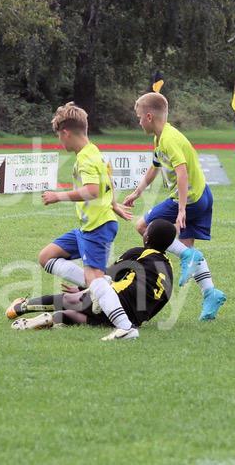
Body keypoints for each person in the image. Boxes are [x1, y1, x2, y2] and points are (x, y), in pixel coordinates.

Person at [123, 92, 226, 320]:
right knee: (186, 246)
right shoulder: (160, 138)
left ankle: (188, 255)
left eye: (139, 118)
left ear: (149, 117)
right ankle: (210, 293)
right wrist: (138, 192)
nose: (139, 122)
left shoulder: (169, 139)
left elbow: (182, 173)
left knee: (142, 226)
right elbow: (154, 167)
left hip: (190, 199)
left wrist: (181, 209)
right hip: (202, 195)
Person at [39, 102, 136, 341]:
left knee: (94, 279)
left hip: (97, 226)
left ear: (66, 132)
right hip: (89, 226)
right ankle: (100, 285)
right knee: (47, 256)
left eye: (59, 136)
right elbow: (108, 182)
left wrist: (58, 196)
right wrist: (114, 205)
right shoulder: (94, 151)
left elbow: (92, 190)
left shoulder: (85, 158)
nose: (60, 142)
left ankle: (126, 327)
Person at [7, 219, 177, 339]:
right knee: (75, 316)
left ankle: (20, 307)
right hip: (133, 319)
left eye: (147, 229)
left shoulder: (139, 253)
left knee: (69, 300)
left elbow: (106, 276)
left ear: (147, 238)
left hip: (117, 300)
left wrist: (83, 289)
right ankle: (52, 319)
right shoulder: (169, 269)